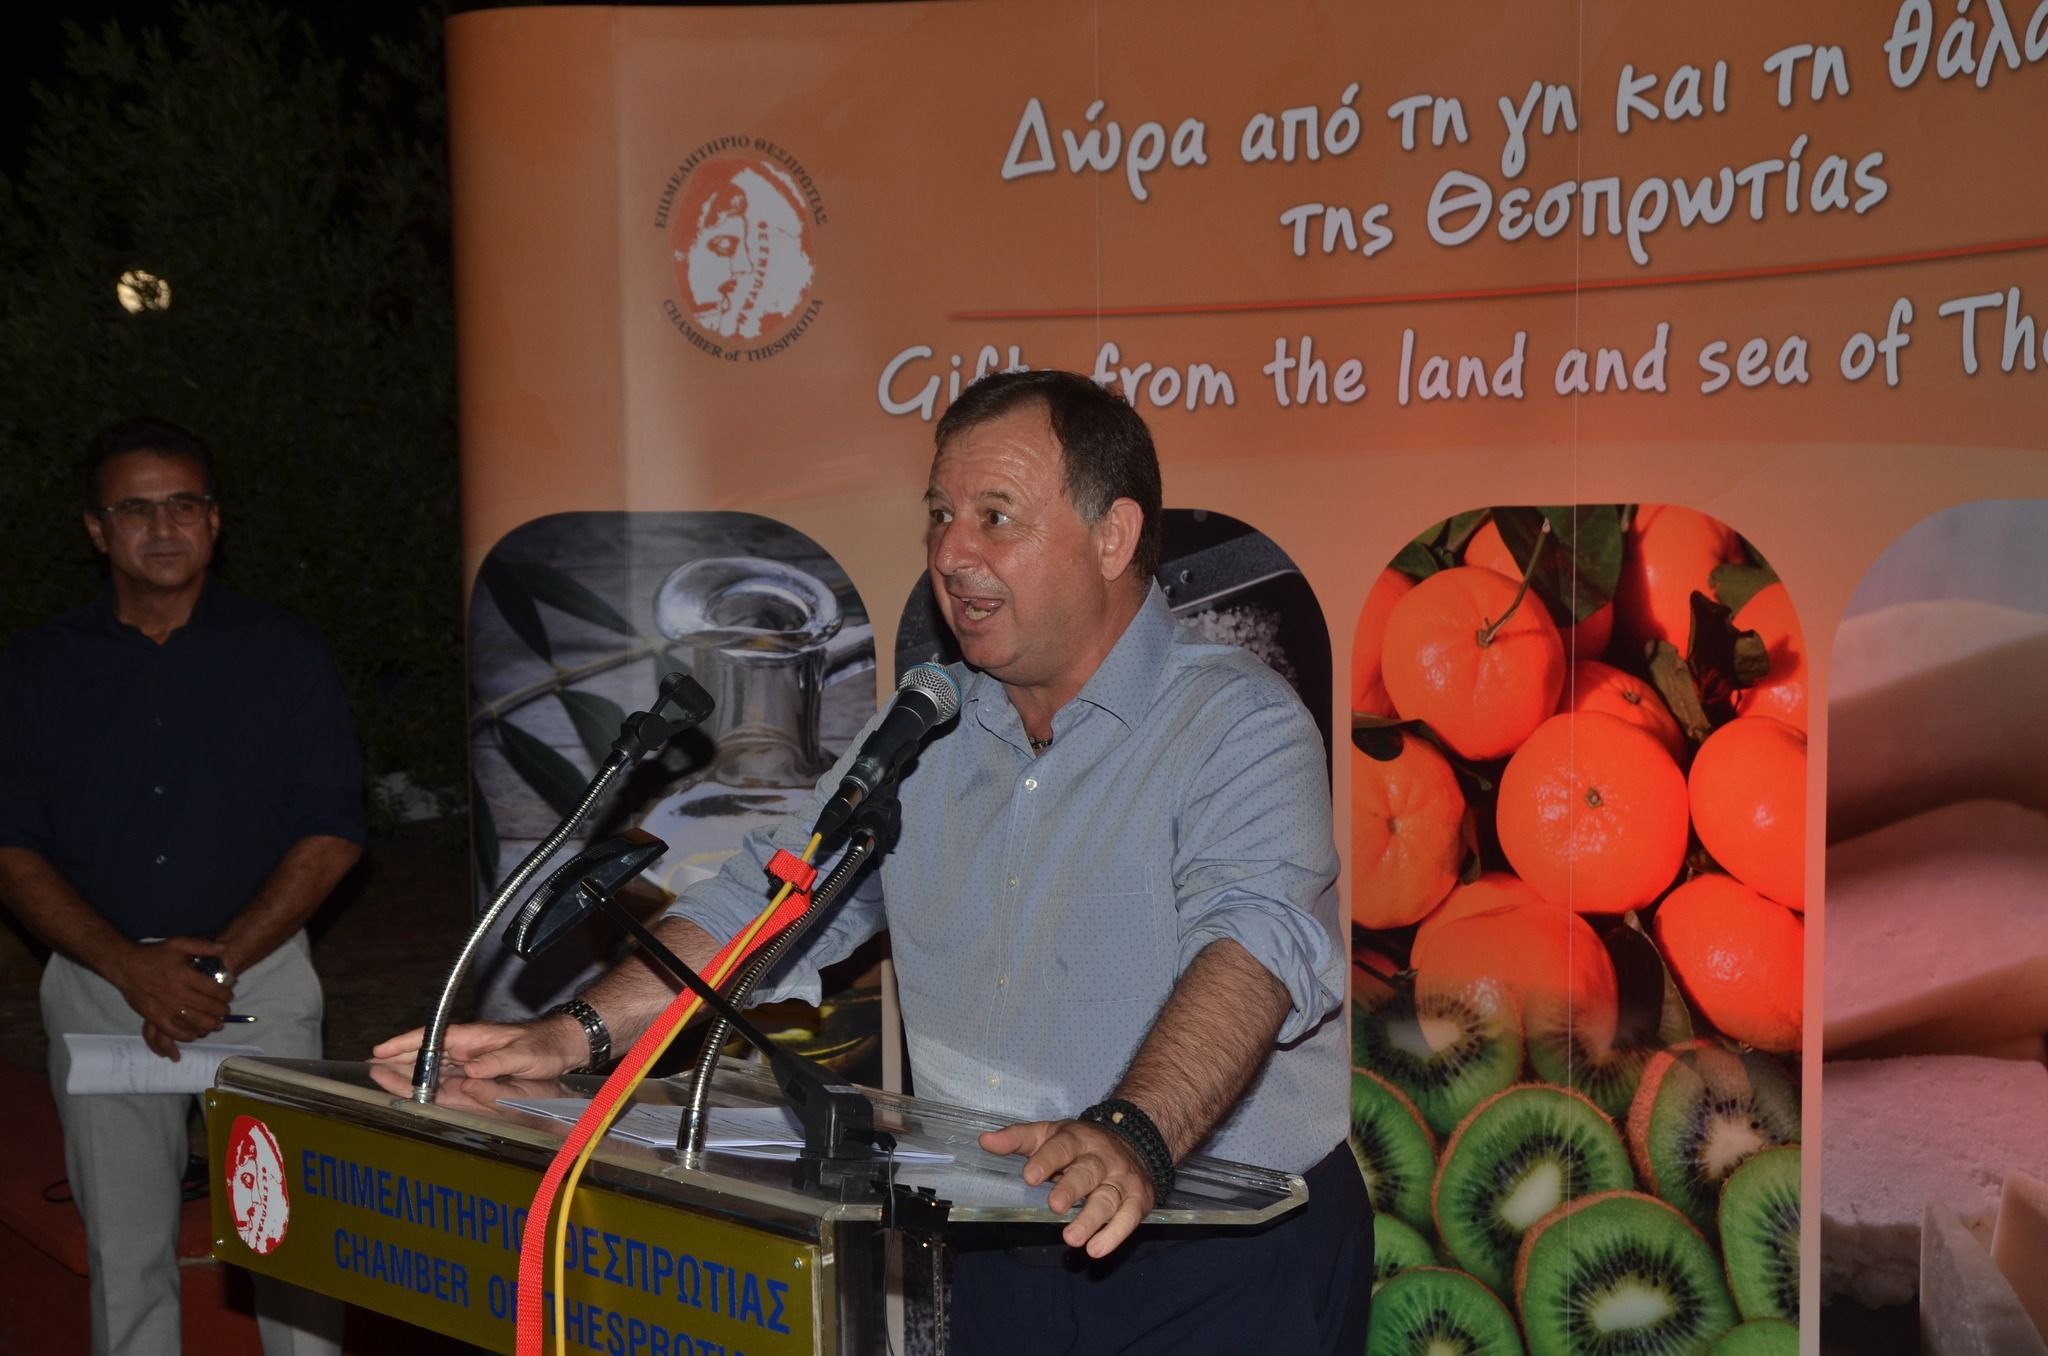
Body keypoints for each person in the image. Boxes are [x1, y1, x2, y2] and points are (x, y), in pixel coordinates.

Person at [378, 371, 1370, 1351]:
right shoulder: (923, 730)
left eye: (994, 517)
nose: (950, 553)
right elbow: (767, 900)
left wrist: (1134, 1133)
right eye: (939, 515)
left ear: (1112, 537)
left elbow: (1253, 946)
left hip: (1214, 1258)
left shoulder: (1235, 722)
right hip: (999, 1245)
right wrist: (573, 1034)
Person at [0, 418, 366, 1356]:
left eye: (183, 504)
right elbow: (10, 847)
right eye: (135, 509)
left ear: (214, 520)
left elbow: (333, 833)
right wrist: (129, 967)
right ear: (97, 530)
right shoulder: (37, 670)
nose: (162, 527)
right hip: (100, 987)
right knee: (124, 1260)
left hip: (259, 984)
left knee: (291, 1249)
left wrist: (214, 967)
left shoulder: (284, 653)